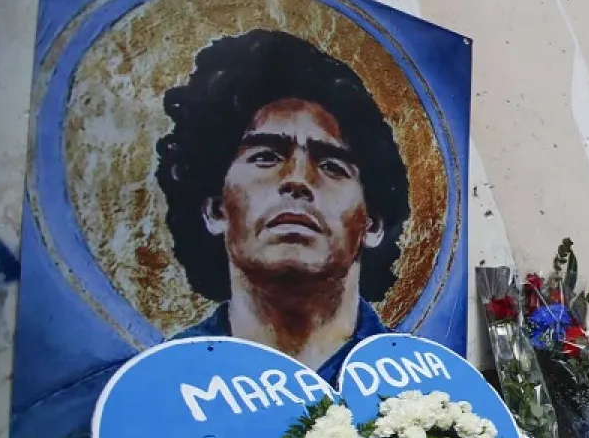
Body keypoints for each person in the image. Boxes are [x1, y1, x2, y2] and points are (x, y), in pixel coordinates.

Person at [157, 29, 409, 381]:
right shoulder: (165, 382)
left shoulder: (419, 389)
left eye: (332, 165)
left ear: (372, 223)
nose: (297, 180)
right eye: (265, 157)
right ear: (215, 209)